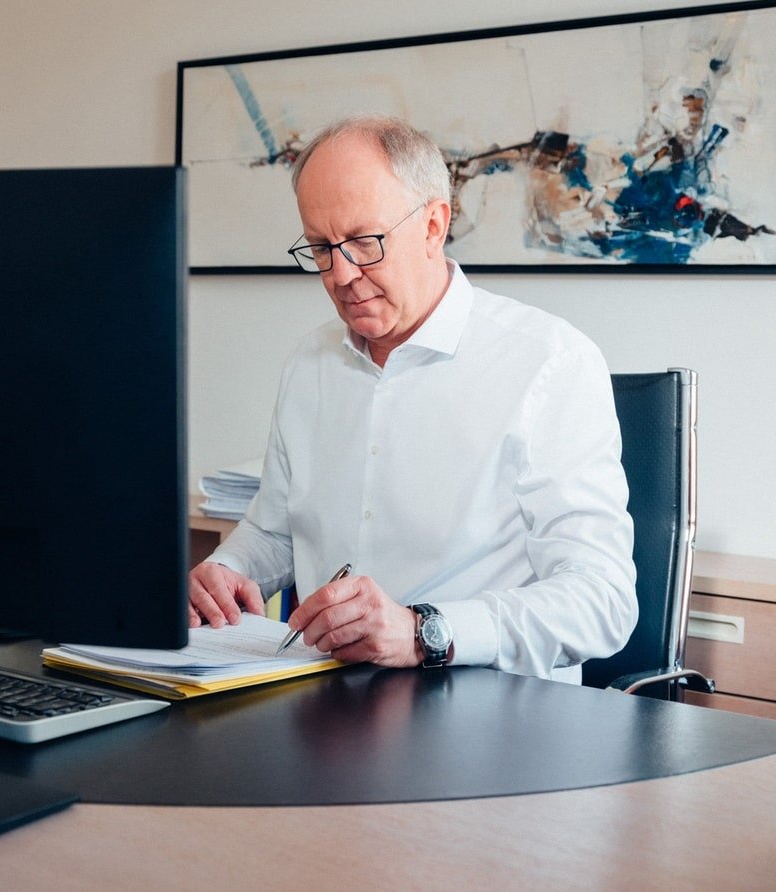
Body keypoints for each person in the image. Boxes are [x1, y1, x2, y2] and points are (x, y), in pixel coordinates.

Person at [188, 114, 637, 680]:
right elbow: (277, 528)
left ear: (433, 225)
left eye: (363, 242)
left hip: (491, 716)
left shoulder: (549, 362)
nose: (341, 274)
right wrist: (228, 569)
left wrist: (423, 631)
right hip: (330, 703)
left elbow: (603, 602)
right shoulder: (309, 364)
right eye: (321, 248)